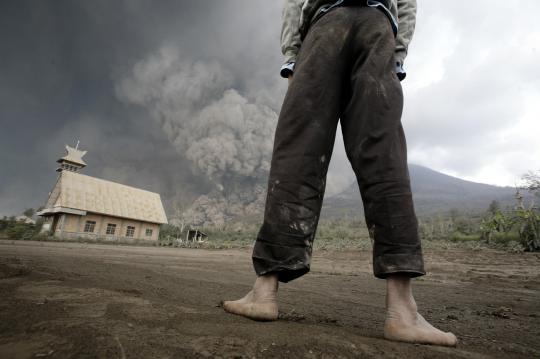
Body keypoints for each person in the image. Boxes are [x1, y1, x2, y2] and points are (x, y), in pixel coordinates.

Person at [223, 0, 457, 347]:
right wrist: (398, 52)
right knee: (384, 154)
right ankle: (402, 312)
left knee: (298, 151)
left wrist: (292, 56)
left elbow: (294, 3)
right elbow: (407, 3)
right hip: (378, 27)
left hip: (325, 24)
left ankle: (264, 292)